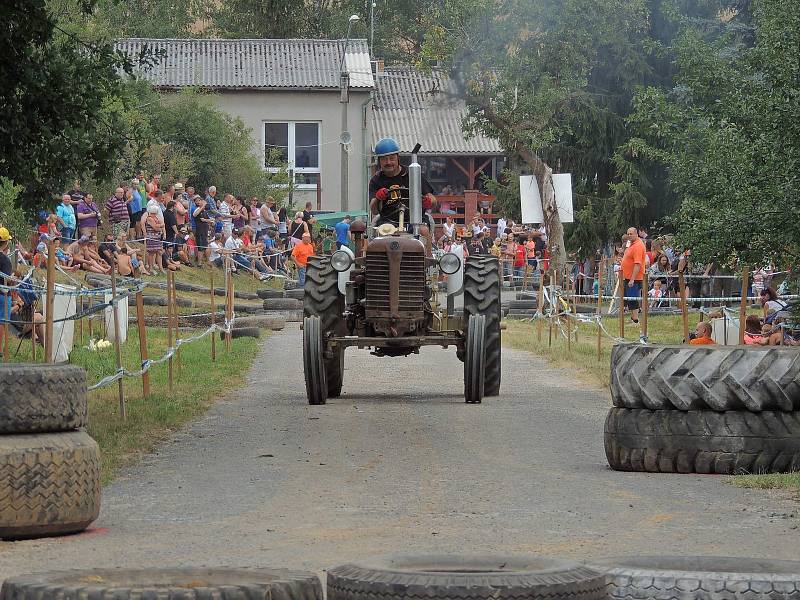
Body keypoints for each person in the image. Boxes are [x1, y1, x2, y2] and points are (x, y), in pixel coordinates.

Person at [369, 137, 435, 229]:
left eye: (391, 158)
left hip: (415, 220)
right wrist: (377, 198)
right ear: (379, 161)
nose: (388, 162)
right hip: (388, 221)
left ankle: (426, 243)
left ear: (398, 158)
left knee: (423, 230)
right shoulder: (376, 180)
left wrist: (429, 201)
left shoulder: (413, 174)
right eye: (384, 159)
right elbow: (374, 210)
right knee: (383, 237)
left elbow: (433, 200)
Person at [621, 226, 646, 324]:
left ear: (636, 234)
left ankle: (635, 320)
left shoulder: (638, 246)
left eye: (631, 234)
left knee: (632, 298)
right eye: (628, 234)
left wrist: (632, 279)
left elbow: (637, 264)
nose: (629, 236)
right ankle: (632, 318)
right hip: (627, 276)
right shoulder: (630, 243)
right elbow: (626, 255)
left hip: (634, 277)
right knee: (629, 298)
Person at [0, 227, 13, 355]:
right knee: (2, 322)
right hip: (3, 295)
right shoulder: (5, 260)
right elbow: (7, 279)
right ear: (6, 243)